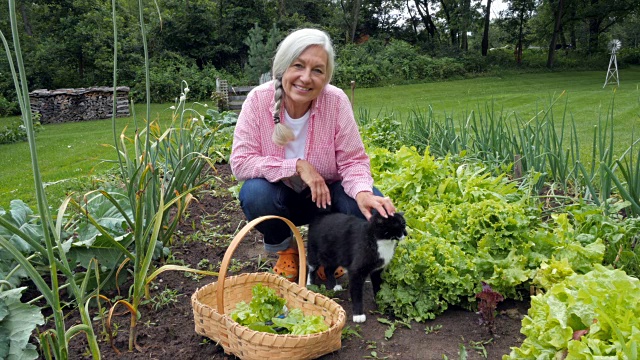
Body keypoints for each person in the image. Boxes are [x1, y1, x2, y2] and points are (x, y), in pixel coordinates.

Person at [230, 28, 396, 281]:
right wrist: (297, 166)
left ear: (326, 77)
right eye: (298, 66)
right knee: (254, 193)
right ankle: (287, 251)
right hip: (279, 198)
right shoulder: (258, 100)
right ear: (283, 67)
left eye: (317, 70)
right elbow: (241, 162)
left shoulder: (336, 101)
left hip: (326, 200)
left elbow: (353, 160)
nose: (306, 78)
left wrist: (363, 192)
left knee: (367, 207)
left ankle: (331, 254)